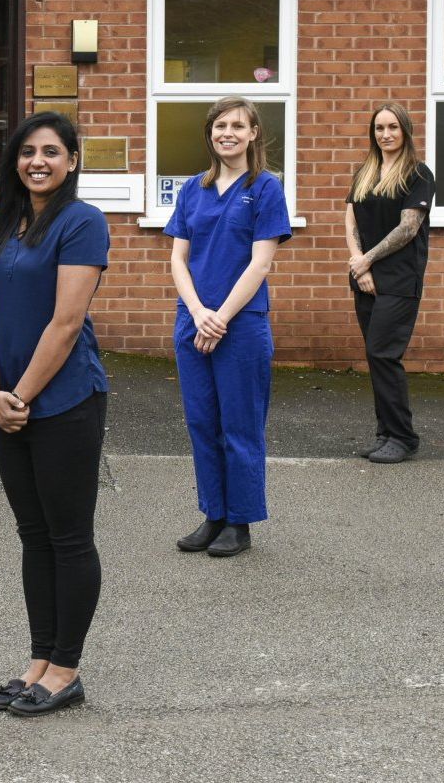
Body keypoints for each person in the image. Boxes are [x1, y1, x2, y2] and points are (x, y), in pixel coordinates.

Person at [0, 111, 109, 718]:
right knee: (34, 536)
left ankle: (66, 669)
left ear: (72, 161)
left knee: (68, 537)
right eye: (28, 151)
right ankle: (38, 661)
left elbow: (66, 323)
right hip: (7, 403)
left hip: (63, 402)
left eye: (52, 151)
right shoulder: (2, 224)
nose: (38, 161)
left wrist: (19, 396)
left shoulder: (82, 223)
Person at [167, 97, 291, 558]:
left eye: (238, 125)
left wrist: (219, 317)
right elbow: (178, 258)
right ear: (210, 133)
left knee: (240, 425)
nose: (228, 133)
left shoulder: (265, 189)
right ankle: (213, 513)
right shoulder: (193, 189)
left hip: (241, 325)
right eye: (220, 125)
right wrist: (199, 312)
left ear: (253, 133)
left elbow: (261, 263)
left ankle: (239, 521)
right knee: (203, 423)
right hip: (193, 321)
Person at [345, 103, 435, 464]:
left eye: (393, 127)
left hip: (399, 280)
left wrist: (367, 260)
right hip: (365, 278)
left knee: (384, 353)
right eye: (380, 127)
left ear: (405, 131)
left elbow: (408, 228)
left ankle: (403, 436)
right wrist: (359, 266)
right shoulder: (366, 172)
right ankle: (385, 433)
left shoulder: (418, 173)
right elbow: (350, 218)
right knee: (375, 356)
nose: (386, 134)